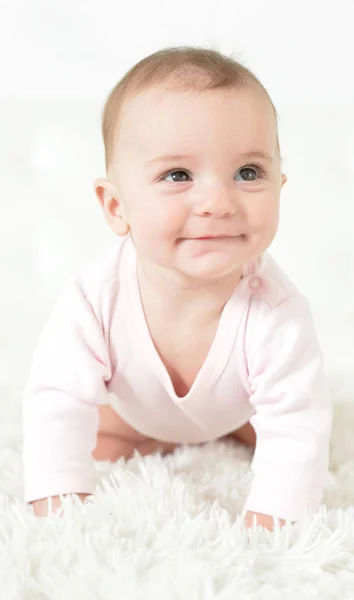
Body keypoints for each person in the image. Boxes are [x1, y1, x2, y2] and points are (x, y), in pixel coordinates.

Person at [22, 46, 333, 529]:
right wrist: (58, 500)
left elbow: (296, 421)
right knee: (98, 437)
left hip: (237, 413)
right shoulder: (95, 298)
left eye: (247, 173)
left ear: (279, 187)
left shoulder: (276, 311)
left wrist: (273, 521)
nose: (217, 201)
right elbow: (57, 397)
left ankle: (225, 435)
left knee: (297, 435)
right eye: (178, 175)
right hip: (135, 415)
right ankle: (162, 438)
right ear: (115, 206)